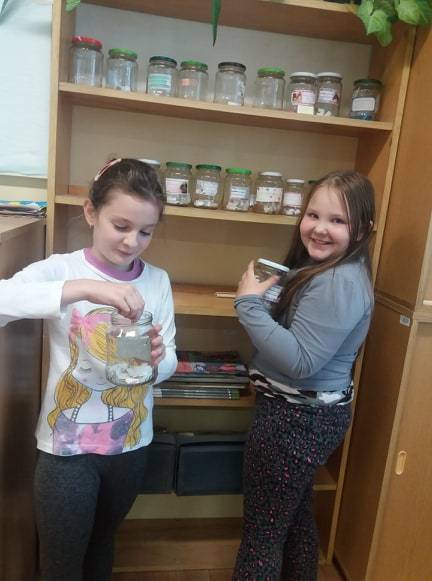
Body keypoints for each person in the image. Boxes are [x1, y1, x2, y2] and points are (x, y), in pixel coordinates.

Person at [0, 158, 177, 580]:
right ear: (91, 212)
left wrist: (157, 361)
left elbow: (170, 356)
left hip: (130, 443)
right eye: (121, 226)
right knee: (61, 563)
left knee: (103, 546)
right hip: (67, 451)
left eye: (146, 231)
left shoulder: (157, 281)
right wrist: (85, 288)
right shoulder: (63, 269)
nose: (132, 242)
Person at [233, 170, 375, 580]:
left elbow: (301, 361)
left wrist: (248, 304)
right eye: (313, 215)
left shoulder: (339, 282)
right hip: (305, 416)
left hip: (296, 419)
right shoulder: (331, 271)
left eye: (337, 220)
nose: (319, 228)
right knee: (293, 520)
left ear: (363, 228)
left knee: (262, 536)